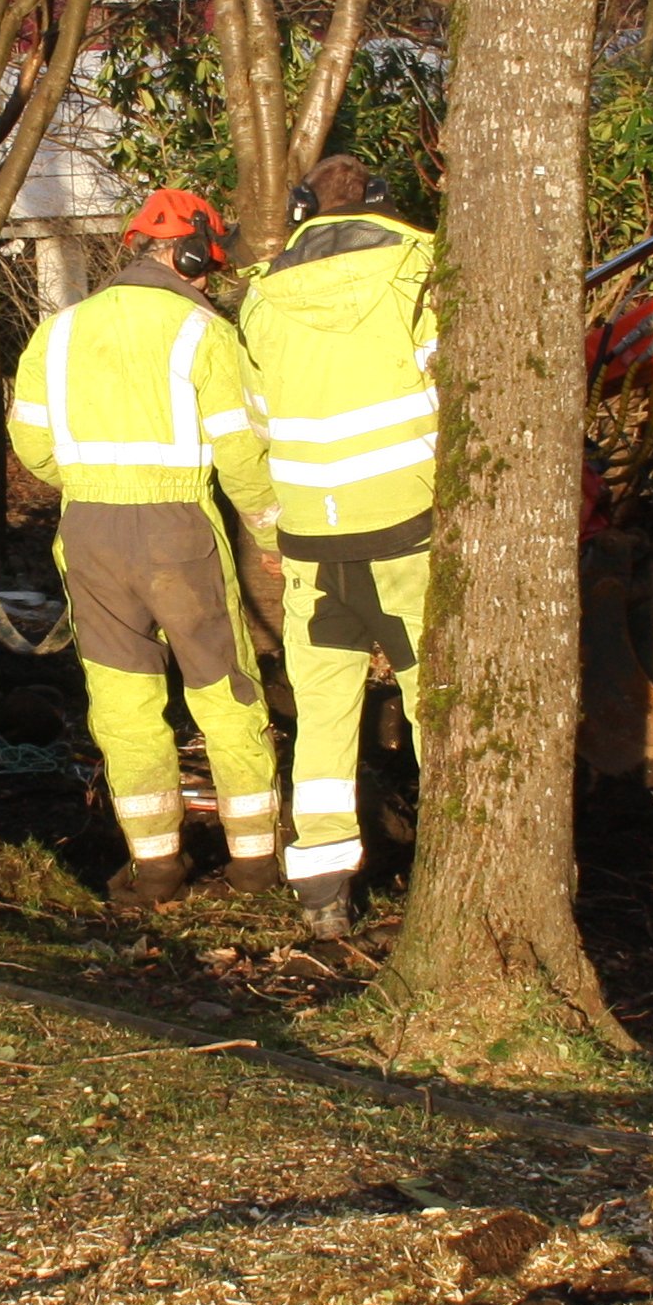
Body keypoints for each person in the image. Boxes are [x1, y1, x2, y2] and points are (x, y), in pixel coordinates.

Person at [7, 190, 284, 910]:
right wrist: (268, 532)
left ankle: (156, 869)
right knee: (226, 692)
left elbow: (33, 447)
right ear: (192, 254)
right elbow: (244, 453)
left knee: (124, 703)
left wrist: (94, 481)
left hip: (89, 534)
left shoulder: (58, 332)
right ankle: (255, 866)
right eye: (208, 265)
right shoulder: (203, 331)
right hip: (177, 531)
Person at [235, 154, 442, 938]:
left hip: (314, 546)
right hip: (411, 532)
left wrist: (272, 533)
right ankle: (450, 875)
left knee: (321, 712)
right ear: (385, 201)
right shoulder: (421, 270)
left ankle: (322, 892)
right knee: (437, 706)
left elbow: (259, 427)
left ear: (299, 210)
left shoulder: (259, 299)